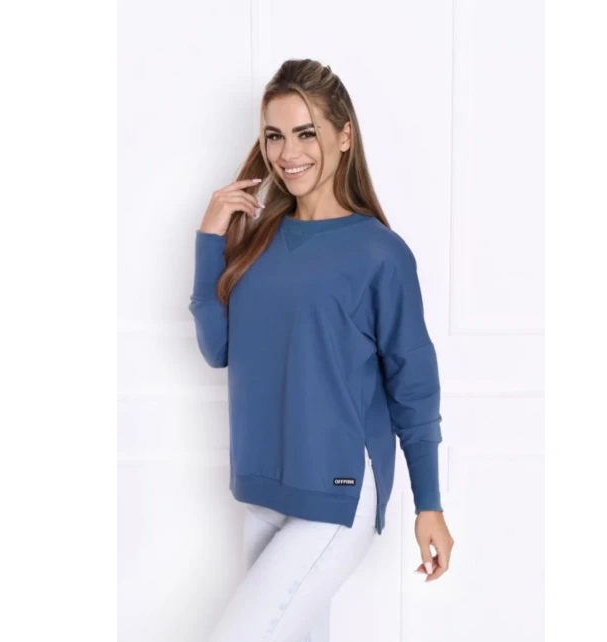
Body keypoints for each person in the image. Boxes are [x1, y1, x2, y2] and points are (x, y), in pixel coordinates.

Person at [189, 59, 455, 642]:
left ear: (344, 135)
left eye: (306, 132)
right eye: (274, 135)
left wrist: (428, 504)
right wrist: (210, 237)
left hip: (337, 490)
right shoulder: (258, 239)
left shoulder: (380, 253)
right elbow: (218, 348)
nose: (288, 153)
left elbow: (414, 385)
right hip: (262, 489)